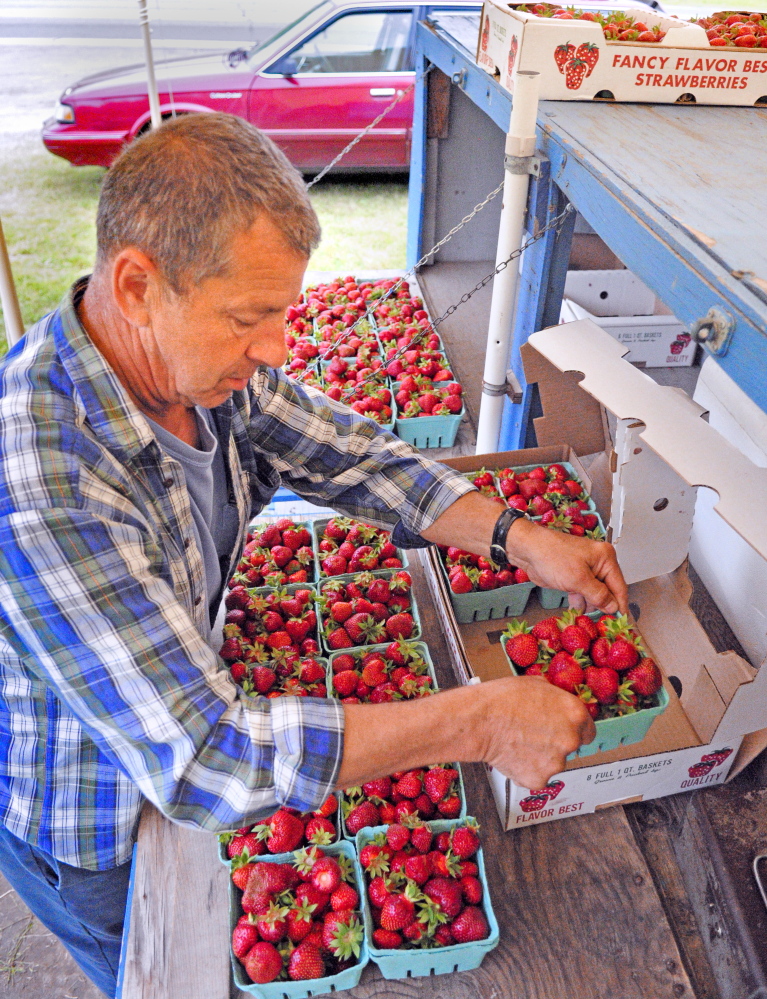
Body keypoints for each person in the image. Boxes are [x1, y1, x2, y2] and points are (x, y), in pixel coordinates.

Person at [0, 113, 626, 997]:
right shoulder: (40, 478)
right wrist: (476, 719)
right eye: (250, 317)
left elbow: (351, 454)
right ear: (138, 287)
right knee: (146, 968)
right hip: (94, 818)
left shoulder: (194, 371)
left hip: (178, 703)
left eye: (284, 312)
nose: (276, 349)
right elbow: (206, 757)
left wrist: (516, 535)